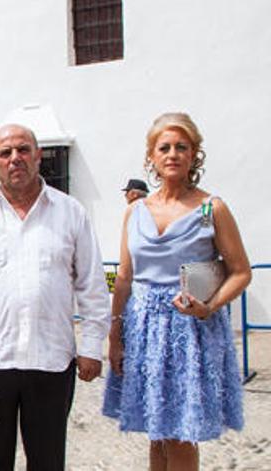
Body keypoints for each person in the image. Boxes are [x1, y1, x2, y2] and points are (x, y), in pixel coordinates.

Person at [0, 124, 109, 471]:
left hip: (51, 361)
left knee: (48, 462)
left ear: (38, 155)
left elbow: (92, 283)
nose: (15, 158)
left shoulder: (71, 212)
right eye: (5, 152)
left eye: (23, 149)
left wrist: (92, 346)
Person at [102, 113, 250, 470]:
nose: (172, 154)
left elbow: (241, 271)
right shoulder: (135, 211)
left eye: (181, 147)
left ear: (194, 154)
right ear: (151, 157)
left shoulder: (211, 208)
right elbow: (124, 277)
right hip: (145, 330)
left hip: (190, 329)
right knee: (156, 431)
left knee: (181, 434)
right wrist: (115, 335)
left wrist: (209, 306)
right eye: (164, 147)